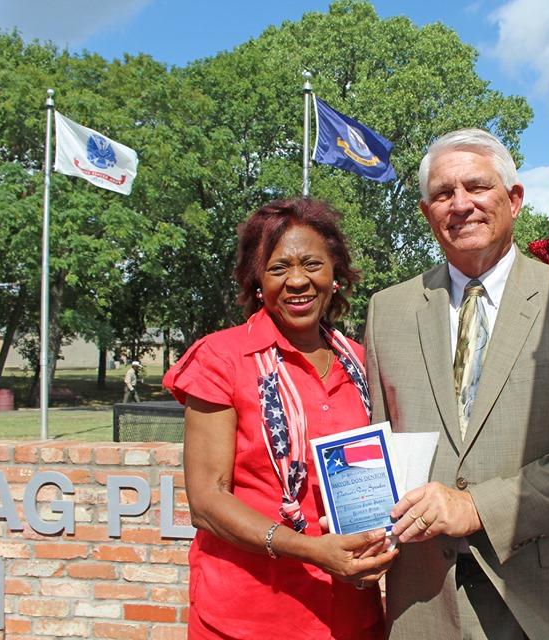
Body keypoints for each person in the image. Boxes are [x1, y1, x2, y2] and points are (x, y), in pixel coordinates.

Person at [364, 129, 549, 639]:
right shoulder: (388, 310)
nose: (460, 204)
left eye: (476, 187)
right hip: (423, 603)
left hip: (539, 603)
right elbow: (375, 448)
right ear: (427, 213)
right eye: (443, 194)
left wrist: (474, 507)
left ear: (513, 199)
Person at [163, 198, 397, 639]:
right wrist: (311, 550)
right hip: (250, 616)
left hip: (351, 613)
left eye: (312, 264)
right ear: (257, 281)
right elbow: (207, 503)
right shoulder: (222, 358)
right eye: (278, 268)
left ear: (336, 275)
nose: (297, 281)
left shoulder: (362, 364)